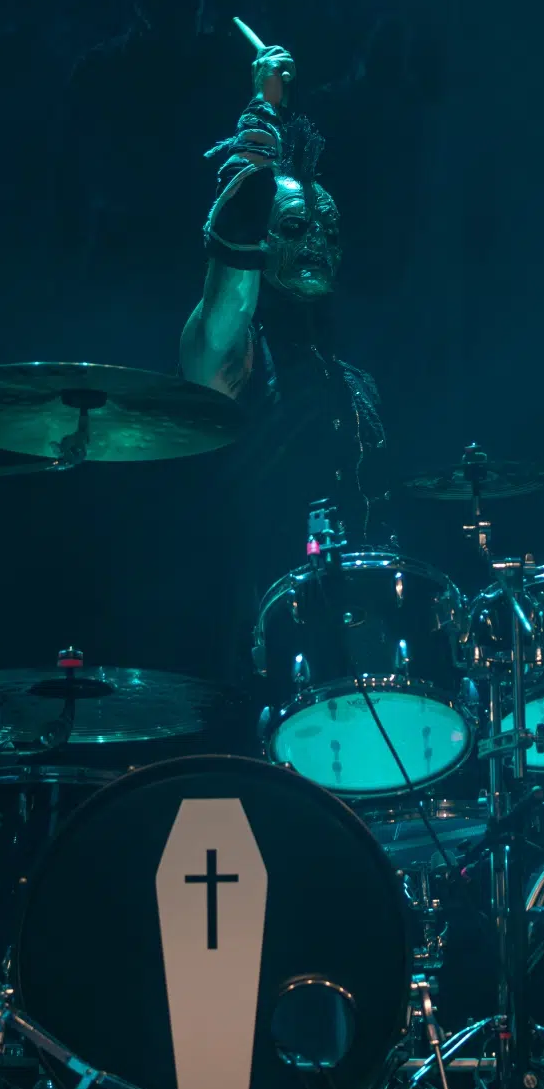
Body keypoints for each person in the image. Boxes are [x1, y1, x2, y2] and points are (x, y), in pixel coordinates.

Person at [178, 39, 394, 674]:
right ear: (265, 239)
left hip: (362, 649)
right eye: (296, 227)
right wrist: (262, 119)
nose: (317, 242)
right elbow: (231, 274)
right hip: (263, 649)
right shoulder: (233, 353)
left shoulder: (356, 383)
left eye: (328, 231)